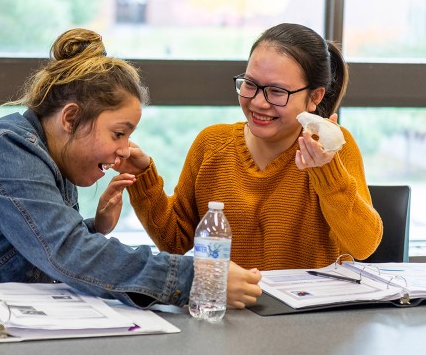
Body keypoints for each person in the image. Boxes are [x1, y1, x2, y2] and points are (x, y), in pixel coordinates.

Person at [0, 28, 261, 309]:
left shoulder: (49, 156)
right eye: (118, 133)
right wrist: (194, 277)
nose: (125, 149)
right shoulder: (8, 150)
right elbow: (68, 254)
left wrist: (92, 227)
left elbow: (27, 240)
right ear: (71, 118)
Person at [117, 23, 383, 271]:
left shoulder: (332, 148)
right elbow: (174, 241)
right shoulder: (211, 145)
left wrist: (328, 172)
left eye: (277, 92)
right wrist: (143, 177)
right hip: (230, 309)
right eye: (251, 84)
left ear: (314, 97)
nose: (258, 102)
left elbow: (362, 246)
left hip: (310, 317)